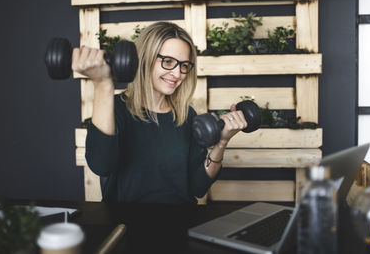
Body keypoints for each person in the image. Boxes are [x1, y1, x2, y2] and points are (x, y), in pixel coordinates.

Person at [72, 22, 247, 203]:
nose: (177, 73)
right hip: (127, 224)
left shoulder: (186, 115)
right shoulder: (114, 109)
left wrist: (222, 142)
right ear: (145, 59)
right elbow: (101, 165)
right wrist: (102, 84)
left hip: (179, 222)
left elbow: (198, 187)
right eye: (168, 62)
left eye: (184, 65)